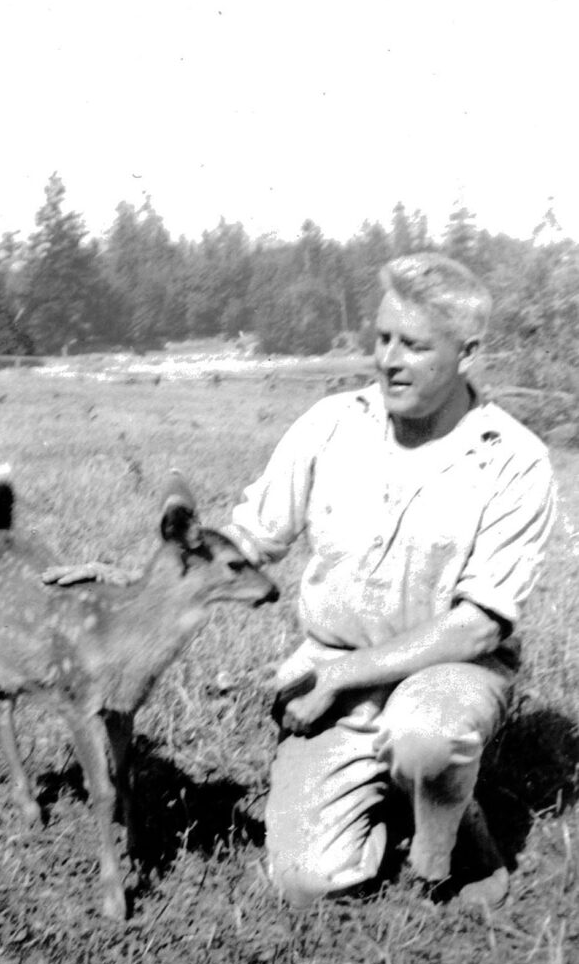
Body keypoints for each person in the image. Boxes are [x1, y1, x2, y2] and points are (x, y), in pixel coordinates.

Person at [221, 252, 556, 909]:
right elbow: (249, 538)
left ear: (465, 354)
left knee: (426, 730)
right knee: (306, 882)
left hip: (450, 673)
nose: (387, 359)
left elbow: (479, 622)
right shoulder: (330, 425)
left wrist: (343, 677)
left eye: (412, 345)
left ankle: (453, 849)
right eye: (381, 339)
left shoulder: (512, 460)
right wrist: (135, 583)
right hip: (332, 665)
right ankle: (411, 790)